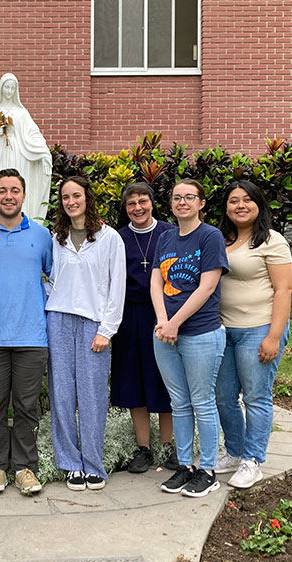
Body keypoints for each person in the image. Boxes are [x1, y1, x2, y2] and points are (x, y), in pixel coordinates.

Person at [0, 168, 52, 496]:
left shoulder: (42, 235)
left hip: (32, 336)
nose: (8, 196)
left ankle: (25, 468)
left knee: (27, 405)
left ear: (23, 195)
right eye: (2, 190)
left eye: (14, 190)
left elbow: (52, 274)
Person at [45, 176, 126, 491]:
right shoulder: (56, 238)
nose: (70, 201)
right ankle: (70, 463)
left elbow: (116, 287)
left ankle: (93, 464)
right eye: (65, 197)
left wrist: (107, 329)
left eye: (75, 195)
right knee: (62, 393)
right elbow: (50, 280)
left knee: (92, 396)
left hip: (94, 324)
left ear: (87, 198)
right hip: (59, 321)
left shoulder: (109, 239)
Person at [151, 179, 228, 498]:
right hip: (165, 333)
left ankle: (207, 470)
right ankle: (186, 466)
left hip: (201, 333)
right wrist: (162, 321)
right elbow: (156, 282)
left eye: (189, 197)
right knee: (178, 403)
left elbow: (207, 287)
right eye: (176, 198)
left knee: (202, 401)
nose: (182, 202)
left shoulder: (210, 236)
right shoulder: (166, 238)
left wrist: (176, 323)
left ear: (201, 203)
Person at [214, 181, 292, 489]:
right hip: (223, 330)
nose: (240, 205)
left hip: (259, 328)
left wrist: (274, 336)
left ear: (259, 205)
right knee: (223, 396)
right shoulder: (218, 239)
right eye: (233, 201)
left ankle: (253, 460)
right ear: (226, 207)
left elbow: (284, 290)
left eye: (247, 200)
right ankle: (234, 452)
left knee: (256, 396)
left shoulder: (272, 241)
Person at [111, 183, 179, 474]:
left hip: (162, 313)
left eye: (142, 201)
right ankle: (143, 449)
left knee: (165, 380)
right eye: (131, 204)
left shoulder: (169, 233)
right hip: (128, 315)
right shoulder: (117, 237)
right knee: (132, 380)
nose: (137, 208)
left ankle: (168, 447)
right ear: (125, 208)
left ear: (152, 202)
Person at [0, 73, 52, 223]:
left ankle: (21, 220)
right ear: (1, 89)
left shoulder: (22, 113)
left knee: (17, 186)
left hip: (18, 155)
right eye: (6, 87)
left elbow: (34, 135)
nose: (9, 91)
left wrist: (45, 154)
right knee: (1, 186)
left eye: (12, 88)